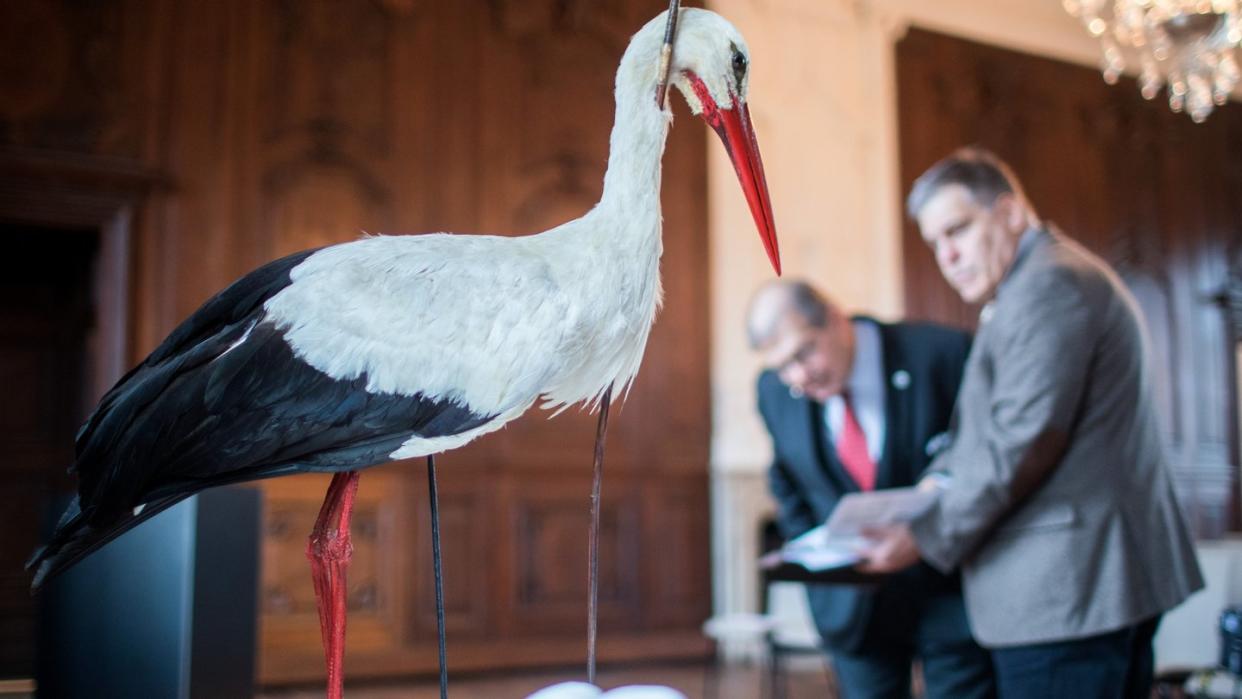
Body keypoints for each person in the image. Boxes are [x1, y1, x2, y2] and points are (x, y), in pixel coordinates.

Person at [860, 147, 1205, 698]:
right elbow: (990, 431)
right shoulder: (1033, 284)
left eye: (959, 230)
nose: (947, 257)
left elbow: (1025, 439)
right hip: (1080, 589)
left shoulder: (1049, 284)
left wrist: (923, 534)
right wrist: (933, 486)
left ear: (1010, 213)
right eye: (936, 244)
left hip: (1068, 593)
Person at [747, 280, 995, 699]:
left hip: (952, 592)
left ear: (836, 318)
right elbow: (786, 479)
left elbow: (985, 464)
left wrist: (928, 536)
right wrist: (814, 553)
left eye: (804, 352)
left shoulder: (942, 354)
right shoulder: (774, 392)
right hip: (853, 609)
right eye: (783, 365)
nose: (798, 377)